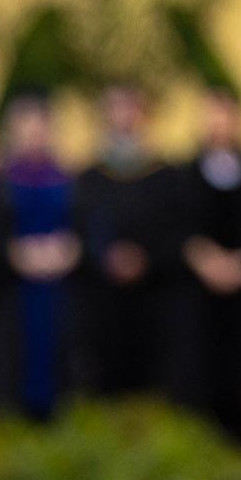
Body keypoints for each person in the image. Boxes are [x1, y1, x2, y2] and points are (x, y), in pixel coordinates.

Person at [71, 83, 195, 401]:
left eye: (132, 108)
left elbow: (180, 232)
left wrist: (147, 260)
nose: (124, 117)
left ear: (145, 116)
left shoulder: (168, 177)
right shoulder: (88, 178)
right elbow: (78, 232)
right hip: (102, 299)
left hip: (154, 297)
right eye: (116, 108)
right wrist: (105, 257)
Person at [0, 94, 78, 419]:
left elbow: (88, 230)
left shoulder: (71, 181)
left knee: (61, 379)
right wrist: (14, 254)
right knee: (11, 380)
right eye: (26, 128)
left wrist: (72, 249)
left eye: (41, 128)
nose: (35, 135)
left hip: (60, 294)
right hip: (11, 299)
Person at [181, 84, 241, 443]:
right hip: (198, 303)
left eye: (224, 113)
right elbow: (179, 231)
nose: (217, 122)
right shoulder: (186, 176)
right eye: (210, 113)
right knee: (201, 382)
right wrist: (204, 260)